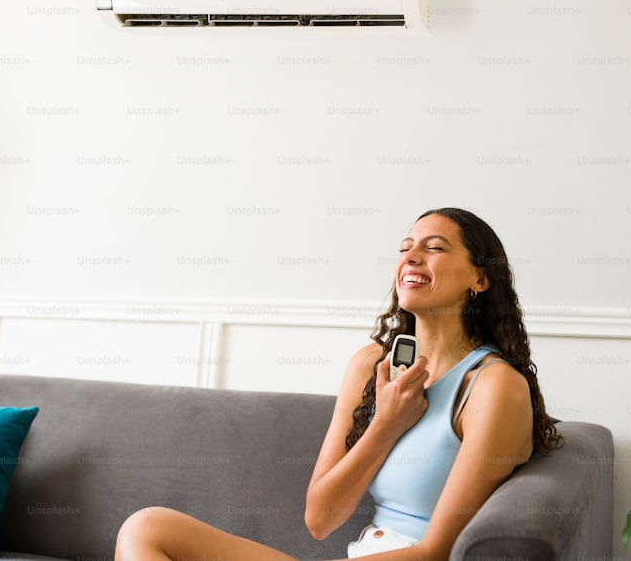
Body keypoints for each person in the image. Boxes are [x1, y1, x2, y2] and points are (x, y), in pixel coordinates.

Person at [115, 207, 562, 560]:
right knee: (147, 527)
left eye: (435, 248)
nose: (410, 257)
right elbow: (320, 518)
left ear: (480, 278)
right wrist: (386, 425)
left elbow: (437, 553)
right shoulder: (371, 365)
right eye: (406, 247)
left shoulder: (492, 386)